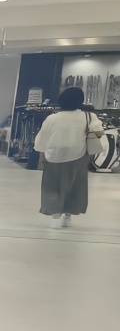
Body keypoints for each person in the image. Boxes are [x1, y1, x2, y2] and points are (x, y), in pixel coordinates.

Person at [34, 84, 101, 228]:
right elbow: (99, 132)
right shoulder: (88, 116)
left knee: (52, 187)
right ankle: (68, 216)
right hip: (79, 155)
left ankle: (55, 217)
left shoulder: (52, 118)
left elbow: (42, 138)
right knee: (74, 186)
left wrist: (41, 153)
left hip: (54, 156)